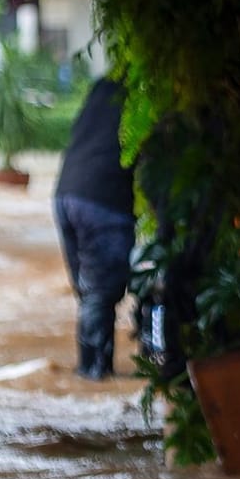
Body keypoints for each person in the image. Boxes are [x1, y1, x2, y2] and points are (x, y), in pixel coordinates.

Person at [53, 78, 136, 379]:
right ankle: (94, 371)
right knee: (100, 291)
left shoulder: (102, 89)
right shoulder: (139, 98)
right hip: (103, 201)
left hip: (65, 195)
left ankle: (89, 368)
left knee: (88, 291)